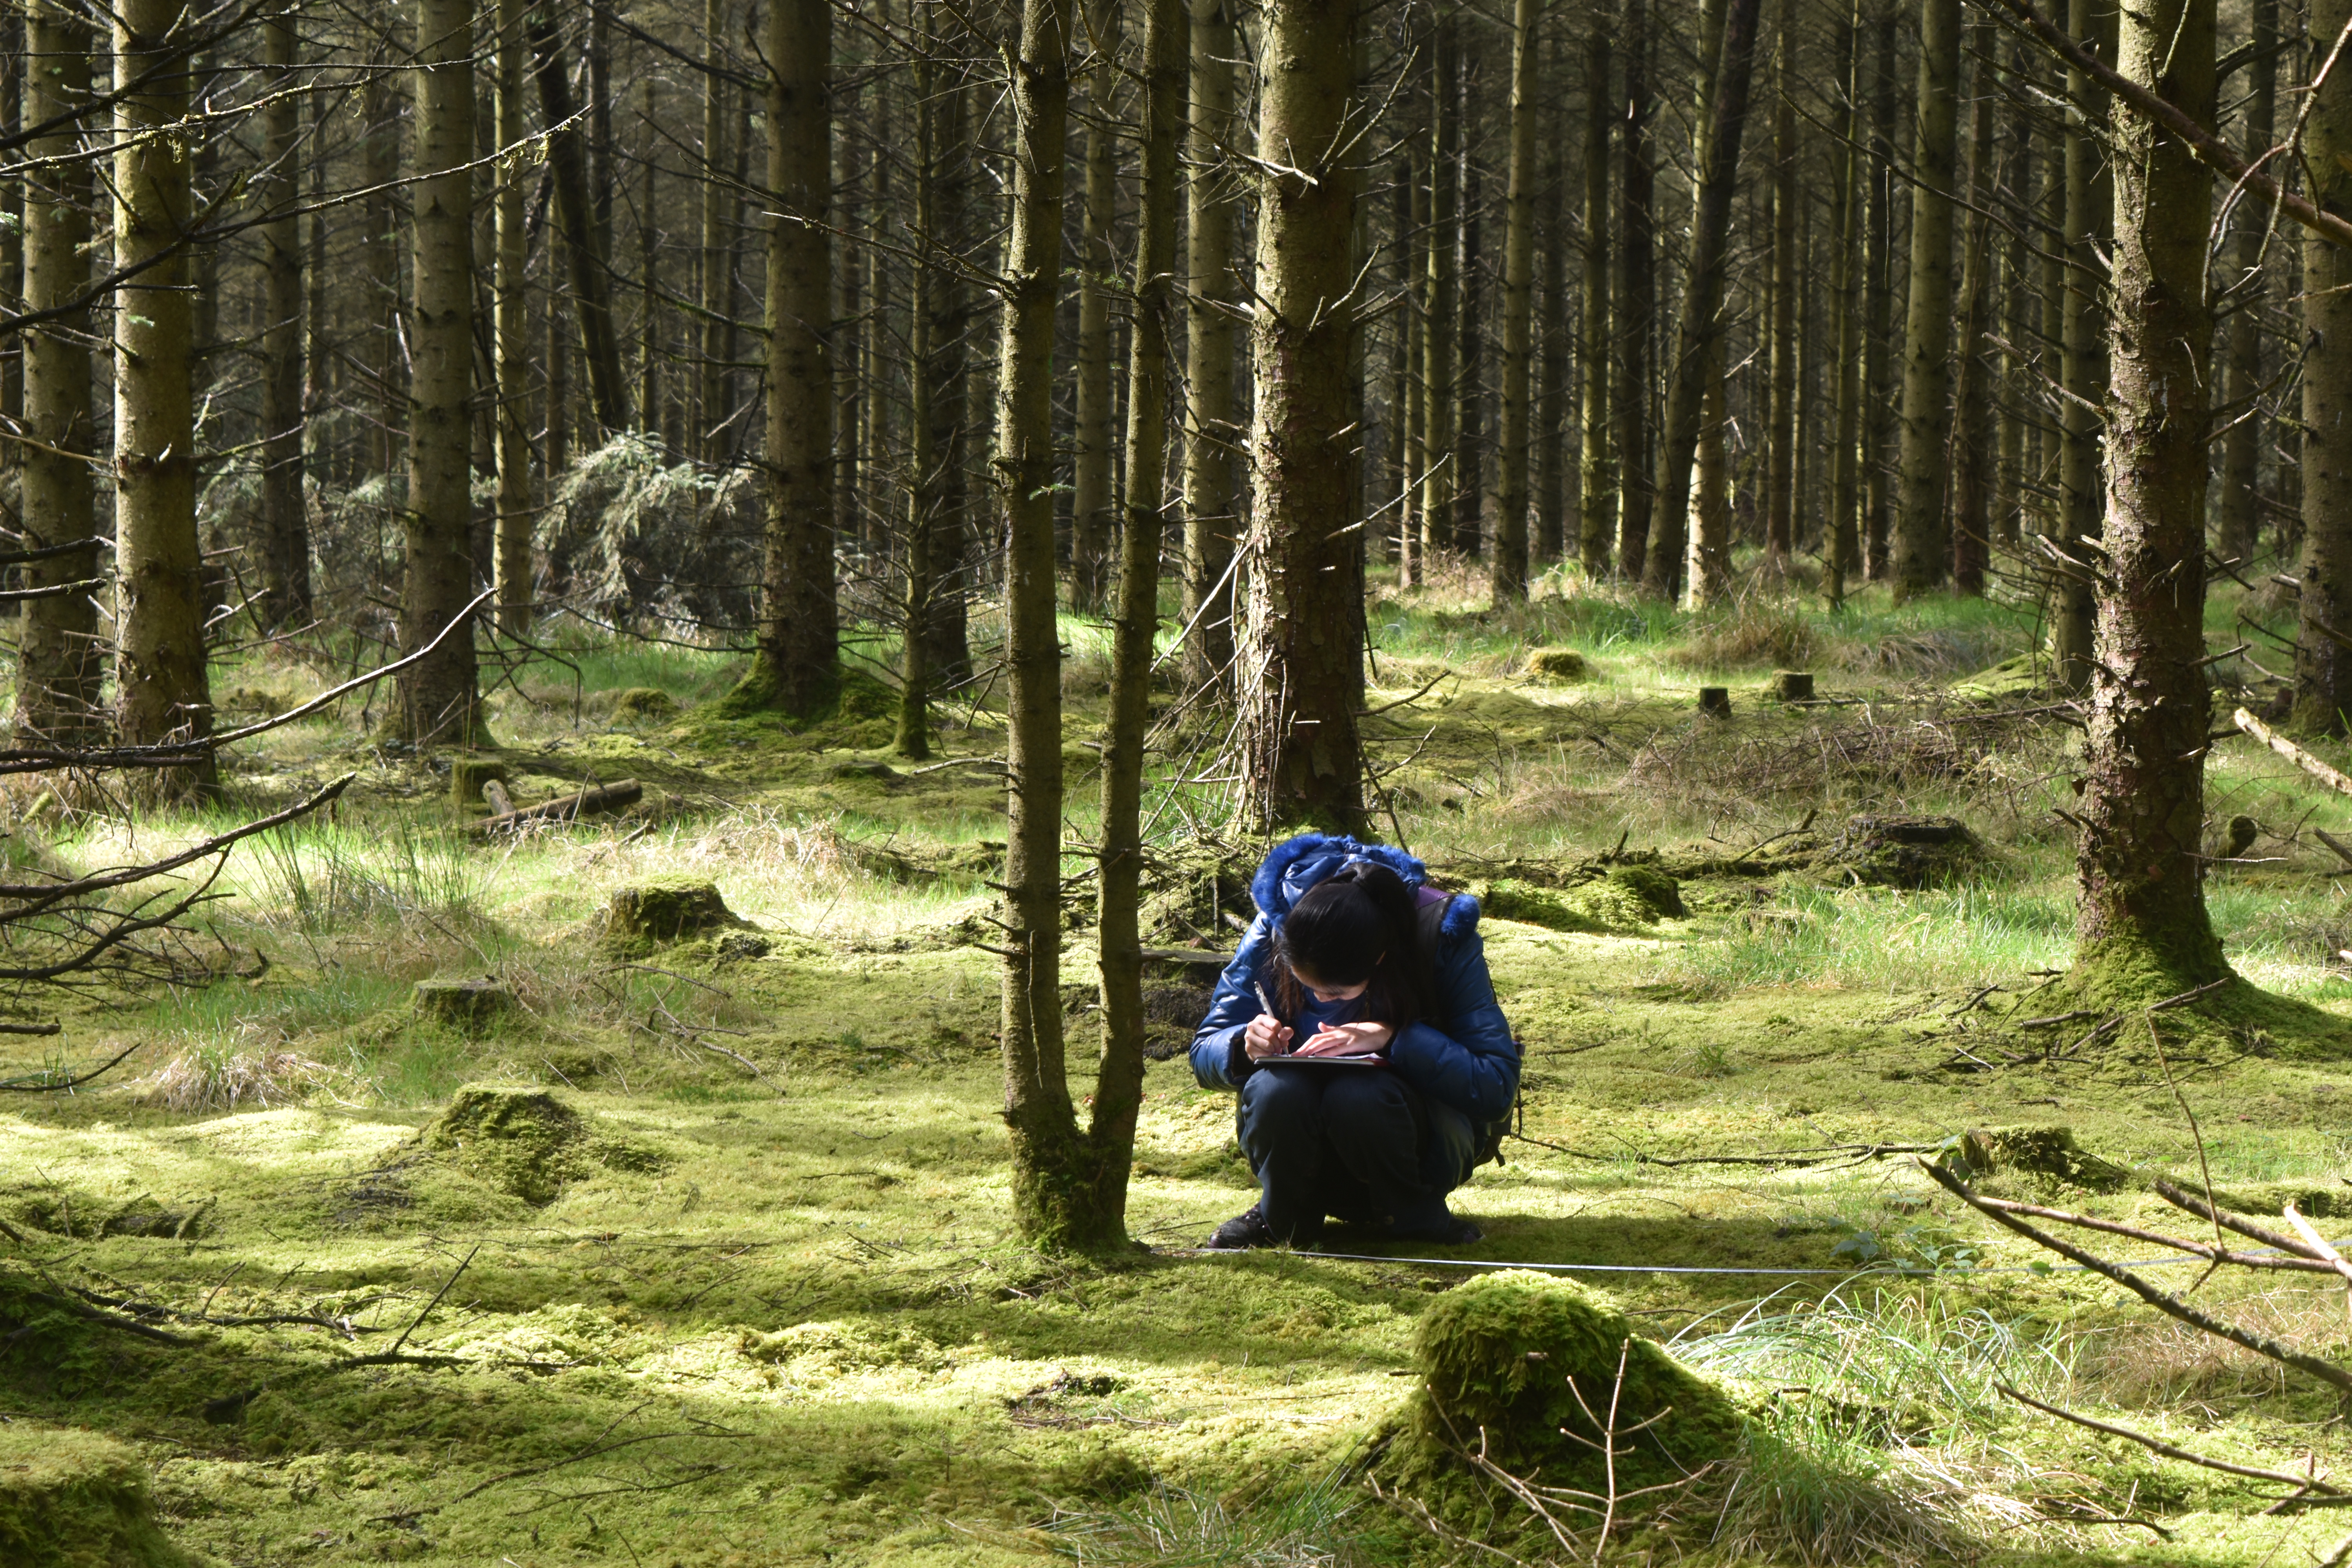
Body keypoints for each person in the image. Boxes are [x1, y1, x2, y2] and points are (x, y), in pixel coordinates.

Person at [1188, 832, 1519, 1249]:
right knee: (1276, 1087)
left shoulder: (1440, 935)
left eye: (1336, 993)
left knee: (1359, 1093)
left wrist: (1397, 1038)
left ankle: (1413, 1215)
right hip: (1297, 1140)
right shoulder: (1276, 925)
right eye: (1308, 988)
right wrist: (1242, 1045)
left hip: (1418, 1143)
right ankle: (1284, 1218)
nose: (1320, 1000)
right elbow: (1203, 1052)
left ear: (1379, 958)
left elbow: (1496, 1086)